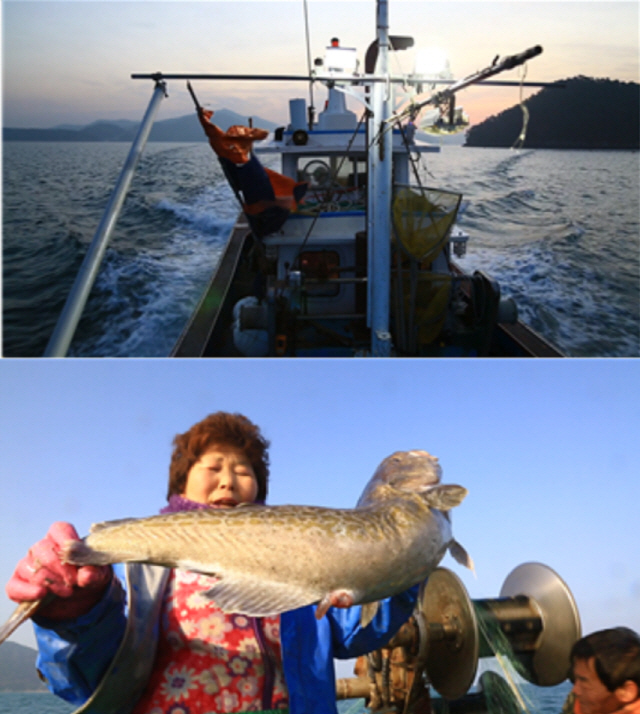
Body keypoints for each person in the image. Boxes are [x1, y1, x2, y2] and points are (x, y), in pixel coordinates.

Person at [6, 412, 418, 714]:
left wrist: (403, 571)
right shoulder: (144, 570)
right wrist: (76, 617)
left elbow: (354, 635)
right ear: (181, 482)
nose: (228, 480)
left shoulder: (307, 568)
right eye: (213, 467)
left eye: (243, 470)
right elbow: (84, 678)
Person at [561, 627, 640, 714]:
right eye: (574, 679)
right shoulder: (577, 703)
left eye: (584, 681)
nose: (575, 690)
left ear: (626, 691)